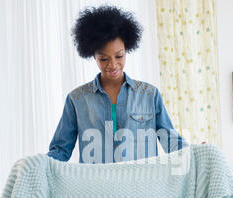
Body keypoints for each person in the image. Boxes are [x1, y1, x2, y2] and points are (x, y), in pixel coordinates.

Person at [48, 5, 189, 164]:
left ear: (126, 50)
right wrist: (39, 164)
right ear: (93, 55)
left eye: (119, 56)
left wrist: (197, 154)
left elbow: (170, 141)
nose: (113, 65)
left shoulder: (149, 95)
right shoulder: (77, 99)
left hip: (142, 185)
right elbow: (60, 150)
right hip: (96, 185)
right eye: (104, 59)